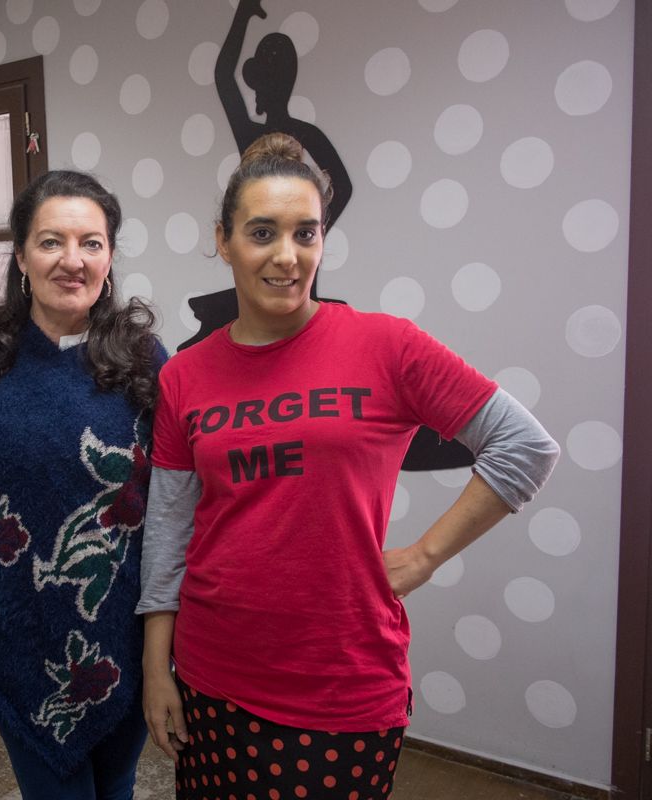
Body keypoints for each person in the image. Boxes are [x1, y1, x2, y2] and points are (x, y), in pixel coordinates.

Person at [138, 133, 560, 800]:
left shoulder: (386, 346)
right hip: (210, 670)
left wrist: (425, 555)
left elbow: (525, 446)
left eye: (306, 233)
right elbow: (168, 528)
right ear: (222, 241)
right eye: (261, 232)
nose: (287, 255)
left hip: (341, 682)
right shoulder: (186, 375)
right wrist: (156, 667)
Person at [0, 170, 167, 800]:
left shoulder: (146, 360)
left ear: (111, 257)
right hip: (16, 625)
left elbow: (177, 498)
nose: (73, 261)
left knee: (116, 785)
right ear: (20, 255)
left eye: (91, 243)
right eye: (51, 242)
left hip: (122, 628)